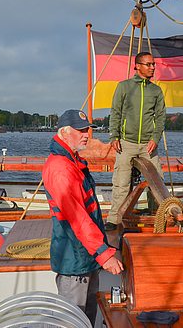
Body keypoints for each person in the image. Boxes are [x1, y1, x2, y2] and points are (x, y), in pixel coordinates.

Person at [42, 109, 124, 325]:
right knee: (72, 321)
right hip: (74, 260)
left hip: (84, 257)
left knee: (86, 320)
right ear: (64, 133)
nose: (87, 134)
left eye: (87, 129)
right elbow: (77, 218)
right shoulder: (61, 169)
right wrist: (104, 254)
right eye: (81, 130)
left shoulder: (72, 162)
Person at [105, 52, 166, 231]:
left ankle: (157, 217)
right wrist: (113, 137)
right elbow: (115, 112)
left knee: (157, 181)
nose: (152, 67)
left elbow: (161, 117)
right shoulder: (123, 87)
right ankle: (114, 219)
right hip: (127, 143)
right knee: (121, 183)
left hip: (148, 145)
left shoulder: (156, 90)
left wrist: (155, 139)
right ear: (137, 66)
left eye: (153, 64)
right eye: (148, 64)